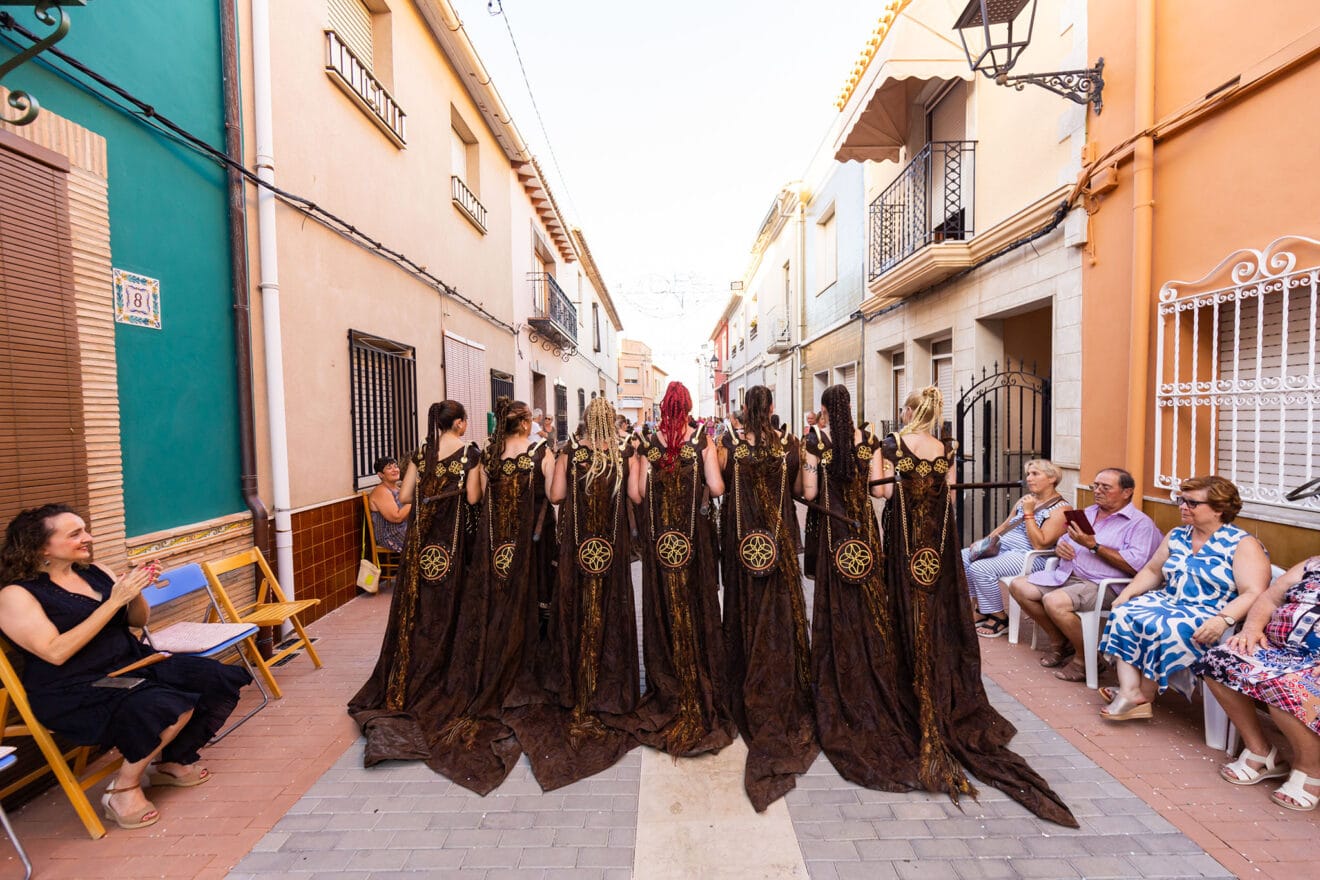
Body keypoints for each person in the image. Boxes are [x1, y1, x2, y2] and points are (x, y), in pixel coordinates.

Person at [875, 387, 1077, 826]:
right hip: (935, 541)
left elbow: (886, 497)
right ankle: (934, 666)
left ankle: (903, 674)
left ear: (908, 412)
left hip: (904, 536)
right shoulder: (945, 449)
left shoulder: (892, 445)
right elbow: (948, 501)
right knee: (933, 609)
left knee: (901, 606)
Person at [0, 505, 251, 829]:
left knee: (214, 677)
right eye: (75, 533)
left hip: (132, 663)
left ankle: (172, 761)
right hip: (75, 686)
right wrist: (115, 600)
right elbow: (54, 653)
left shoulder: (95, 572)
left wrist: (135, 592)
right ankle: (123, 788)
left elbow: (137, 621)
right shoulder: (15, 595)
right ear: (41, 546)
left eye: (85, 529)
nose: (87, 538)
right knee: (164, 706)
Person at [349, 401, 500, 790]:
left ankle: (412, 675)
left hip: (420, 542)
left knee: (416, 610)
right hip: (453, 542)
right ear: (461, 423)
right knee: (451, 607)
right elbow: (471, 500)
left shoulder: (420, 452)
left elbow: (405, 497)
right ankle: (447, 675)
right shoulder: (469, 453)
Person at [508, 397, 639, 790]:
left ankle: (576, 682)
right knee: (611, 612)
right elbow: (635, 498)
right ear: (609, 421)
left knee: (577, 610)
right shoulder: (622, 454)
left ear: (584, 420)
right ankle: (611, 682)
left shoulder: (570, 453)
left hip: (576, 550)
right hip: (610, 553)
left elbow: (555, 497)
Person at [801, 384, 913, 792]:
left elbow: (810, 493)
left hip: (835, 532)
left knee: (836, 604)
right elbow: (882, 490)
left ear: (827, 409)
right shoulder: (869, 439)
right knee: (871, 603)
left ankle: (837, 669)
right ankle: (874, 667)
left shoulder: (816, 441)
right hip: (864, 532)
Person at [451, 397, 559, 793]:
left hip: (494, 548)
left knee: (496, 609)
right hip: (530, 545)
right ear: (527, 423)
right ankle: (528, 670)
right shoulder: (540, 452)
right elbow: (556, 494)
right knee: (531, 608)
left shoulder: (488, 455)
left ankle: (495, 669)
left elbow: (474, 498)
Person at [719, 385, 818, 811]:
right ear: (773, 409)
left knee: (744, 610)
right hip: (776, 545)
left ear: (744, 409)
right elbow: (801, 491)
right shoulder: (788, 446)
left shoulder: (732, 446)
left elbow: (718, 490)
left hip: (742, 543)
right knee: (780, 613)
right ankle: (780, 676)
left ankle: (743, 676)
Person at [1098, 475, 1270, 720]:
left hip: (1211, 611)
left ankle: (1140, 695)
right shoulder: (1179, 535)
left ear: (1219, 510)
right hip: (1170, 600)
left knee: (1163, 626)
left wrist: (1223, 620)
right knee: (1125, 612)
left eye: (1192, 503)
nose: (1182, 507)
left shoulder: (1241, 544)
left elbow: (1254, 592)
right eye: (1181, 500)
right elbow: (1152, 570)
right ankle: (1130, 691)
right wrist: (1127, 594)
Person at [627, 381, 735, 756]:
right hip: (695, 542)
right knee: (697, 603)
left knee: (664, 609)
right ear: (688, 407)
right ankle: (702, 675)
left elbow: (637, 494)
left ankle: (668, 680)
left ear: (662, 407)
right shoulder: (701, 440)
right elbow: (717, 488)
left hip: (661, 545)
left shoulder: (647, 443)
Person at [1007, 468, 1163, 682]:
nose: (1097, 491)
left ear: (1127, 492)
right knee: (1019, 586)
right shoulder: (1088, 512)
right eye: (1095, 486)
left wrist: (1094, 546)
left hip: (1104, 585)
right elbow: (1065, 539)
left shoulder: (1139, 524)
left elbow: (1135, 566)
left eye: (1105, 487)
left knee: (1054, 602)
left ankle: (1085, 659)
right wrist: (1061, 548)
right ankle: (1060, 643)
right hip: (1068, 575)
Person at [1194, 556, 1320, 811]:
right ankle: (1261, 751)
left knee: (1282, 686)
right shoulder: (1313, 564)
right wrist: (1251, 627)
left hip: (1312, 665)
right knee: (1219, 660)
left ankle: (1311, 771)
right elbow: (1272, 597)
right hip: (1279, 651)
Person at [961, 460, 1070, 638]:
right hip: (1004, 549)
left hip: (1030, 557)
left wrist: (1029, 513)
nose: (1029, 478)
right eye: (1028, 474)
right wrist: (985, 542)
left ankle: (999, 617)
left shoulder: (1061, 509)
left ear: (1052, 478)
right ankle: (981, 608)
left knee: (980, 568)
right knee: (964, 557)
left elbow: (1040, 544)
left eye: (1035, 474)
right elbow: (1004, 527)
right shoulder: (1025, 500)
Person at [367, 456, 411, 553]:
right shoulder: (381, 491)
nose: (395, 470)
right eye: (389, 468)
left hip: (404, 529)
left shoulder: (399, 489)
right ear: (380, 475)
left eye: (396, 466)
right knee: (424, 542)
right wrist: (414, 500)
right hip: (390, 535)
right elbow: (396, 517)